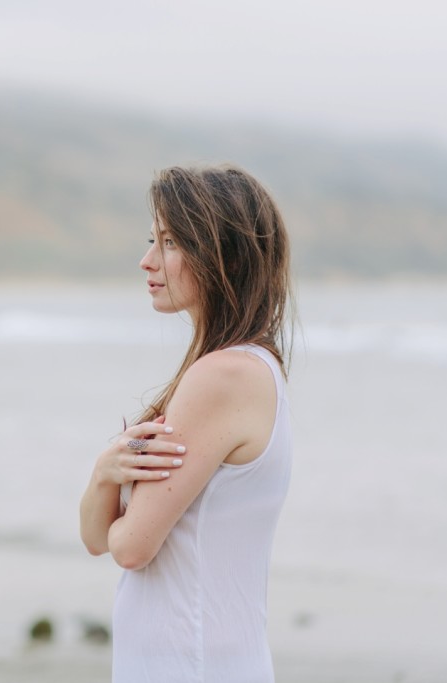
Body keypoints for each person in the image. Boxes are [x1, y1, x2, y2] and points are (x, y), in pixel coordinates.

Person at [79, 165, 294, 682]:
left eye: (171, 243)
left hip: (192, 664)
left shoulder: (223, 376)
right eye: (153, 239)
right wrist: (104, 473)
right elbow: (95, 539)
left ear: (227, 255)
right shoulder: (240, 366)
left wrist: (116, 496)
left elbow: (129, 547)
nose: (147, 260)